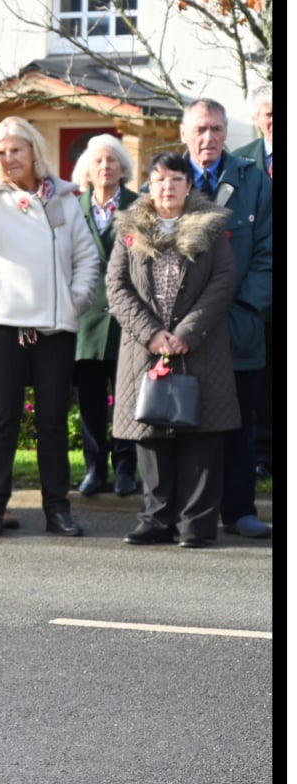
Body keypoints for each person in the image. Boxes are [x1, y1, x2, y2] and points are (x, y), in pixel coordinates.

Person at [0, 116, 99, 538]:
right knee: (1, 418)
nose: (9, 158)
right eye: (1, 150)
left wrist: (74, 300)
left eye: (17, 150)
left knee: (52, 421)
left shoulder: (64, 197)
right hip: (2, 323)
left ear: (34, 153)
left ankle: (57, 509)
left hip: (54, 326)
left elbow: (87, 259)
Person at [106, 153, 239, 547]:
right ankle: (155, 520)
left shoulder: (210, 227)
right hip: (145, 349)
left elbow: (223, 280)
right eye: (160, 179)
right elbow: (117, 287)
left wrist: (185, 332)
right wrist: (152, 333)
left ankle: (196, 525)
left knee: (201, 435)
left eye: (176, 179)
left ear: (188, 185)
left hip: (199, 348)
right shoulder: (129, 227)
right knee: (152, 432)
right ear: (149, 184)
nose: (168, 187)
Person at [177, 98, 274, 540]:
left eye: (216, 129)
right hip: (183, 330)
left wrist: (245, 307)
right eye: (200, 129)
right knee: (182, 416)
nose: (208, 138)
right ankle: (184, 509)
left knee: (238, 420)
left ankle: (239, 509)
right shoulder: (165, 179)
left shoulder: (253, 180)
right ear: (185, 133)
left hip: (238, 325)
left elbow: (272, 253)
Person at [69, 135, 140, 498]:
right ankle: (95, 468)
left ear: (123, 167)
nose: (105, 167)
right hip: (86, 322)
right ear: (87, 169)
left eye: (112, 160)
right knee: (91, 401)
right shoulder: (72, 207)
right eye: (98, 161)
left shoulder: (139, 206)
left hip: (128, 321)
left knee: (127, 399)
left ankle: (126, 469)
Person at [232, 83, 273, 484]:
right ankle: (262, 454)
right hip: (256, 290)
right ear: (257, 119)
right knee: (260, 378)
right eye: (270, 113)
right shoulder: (242, 163)